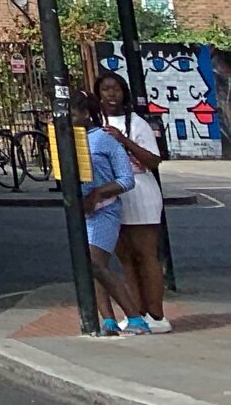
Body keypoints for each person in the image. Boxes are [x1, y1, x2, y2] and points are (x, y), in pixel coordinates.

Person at [94, 69, 170, 332]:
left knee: (146, 254)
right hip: (113, 195)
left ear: (124, 93)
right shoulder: (96, 123)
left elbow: (153, 161)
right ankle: (136, 313)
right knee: (126, 257)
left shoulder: (137, 124)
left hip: (140, 191)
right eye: (105, 90)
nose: (111, 95)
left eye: (115, 89)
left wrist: (123, 140)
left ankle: (157, 315)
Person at [80, 114, 150, 333]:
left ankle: (136, 319)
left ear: (84, 113)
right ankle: (108, 321)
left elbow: (126, 179)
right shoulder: (67, 141)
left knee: (95, 263)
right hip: (81, 213)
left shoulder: (103, 139)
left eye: (71, 114)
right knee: (93, 267)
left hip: (105, 210)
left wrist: (98, 193)